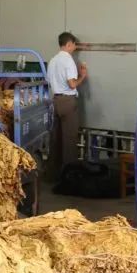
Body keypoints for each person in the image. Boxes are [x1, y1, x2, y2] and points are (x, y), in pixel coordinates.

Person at [47, 31, 87, 180]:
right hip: (68, 102)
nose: (74, 48)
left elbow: (49, 81)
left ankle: (52, 175)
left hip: (55, 101)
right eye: (74, 45)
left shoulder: (53, 60)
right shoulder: (68, 60)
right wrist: (82, 76)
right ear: (69, 44)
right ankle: (69, 177)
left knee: (55, 139)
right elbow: (71, 84)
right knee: (69, 140)